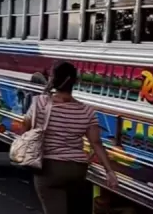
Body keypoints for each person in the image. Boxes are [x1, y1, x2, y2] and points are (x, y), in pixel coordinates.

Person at [23, 61, 118, 214]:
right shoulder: (87, 111)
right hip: (77, 170)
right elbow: (96, 143)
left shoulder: (39, 102)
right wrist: (109, 172)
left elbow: (25, 127)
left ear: (53, 80)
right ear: (75, 82)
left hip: (49, 168)